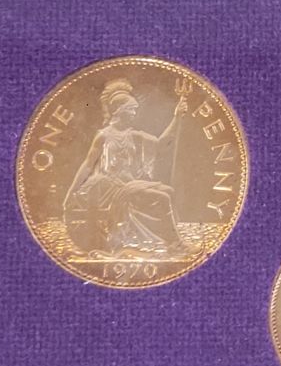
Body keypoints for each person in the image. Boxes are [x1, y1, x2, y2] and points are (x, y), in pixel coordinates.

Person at [62, 78, 188, 257]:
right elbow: (88, 164)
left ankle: (161, 239)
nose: (134, 114)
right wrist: (71, 192)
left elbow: (161, 144)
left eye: (135, 109)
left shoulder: (133, 135)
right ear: (119, 110)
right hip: (111, 189)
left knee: (169, 191)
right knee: (162, 197)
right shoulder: (103, 136)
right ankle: (176, 245)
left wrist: (177, 116)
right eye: (132, 109)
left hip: (129, 185)